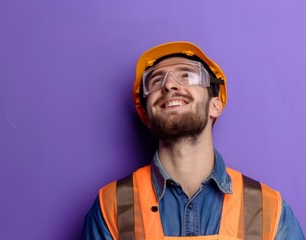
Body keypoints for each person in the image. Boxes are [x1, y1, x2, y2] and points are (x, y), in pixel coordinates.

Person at [82, 41, 305, 239]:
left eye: (187, 75)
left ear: (215, 105)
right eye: (156, 80)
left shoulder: (268, 210)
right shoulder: (111, 206)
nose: (169, 85)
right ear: (146, 115)